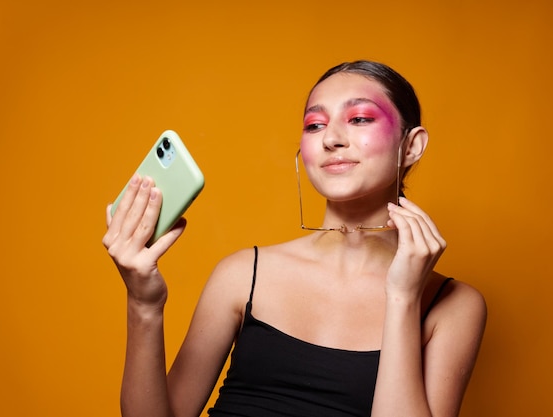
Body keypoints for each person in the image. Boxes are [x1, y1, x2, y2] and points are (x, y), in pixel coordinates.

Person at [102, 60, 487, 417]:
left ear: (411, 145)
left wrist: (403, 297)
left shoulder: (452, 307)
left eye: (360, 118)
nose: (331, 138)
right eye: (314, 125)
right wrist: (143, 304)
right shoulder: (241, 274)